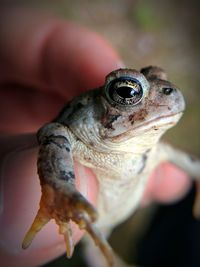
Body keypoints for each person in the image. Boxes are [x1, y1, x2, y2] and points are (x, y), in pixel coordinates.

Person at [0, 7, 191, 267]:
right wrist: (60, 190)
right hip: (94, 213)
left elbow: (187, 163)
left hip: (116, 207)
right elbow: (54, 132)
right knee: (97, 249)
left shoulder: (158, 150)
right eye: (128, 92)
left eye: (162, 83)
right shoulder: (75, 139)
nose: (168, 94)